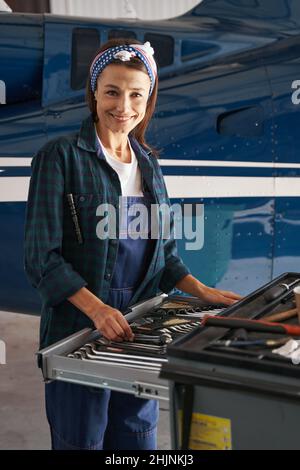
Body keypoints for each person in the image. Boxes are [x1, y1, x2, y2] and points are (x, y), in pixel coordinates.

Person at [24, 38, 241, 450]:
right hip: (79, 327)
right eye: (112, 91)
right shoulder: (60, 157)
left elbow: (166, 257)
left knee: (136, 440)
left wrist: (201, 289)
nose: (123, 105)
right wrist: (97, 310)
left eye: (135, 94)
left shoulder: (148, 163)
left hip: (139, 330)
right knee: (81, 440)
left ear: (148, 100)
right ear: (94, 93)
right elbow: (41, 258)